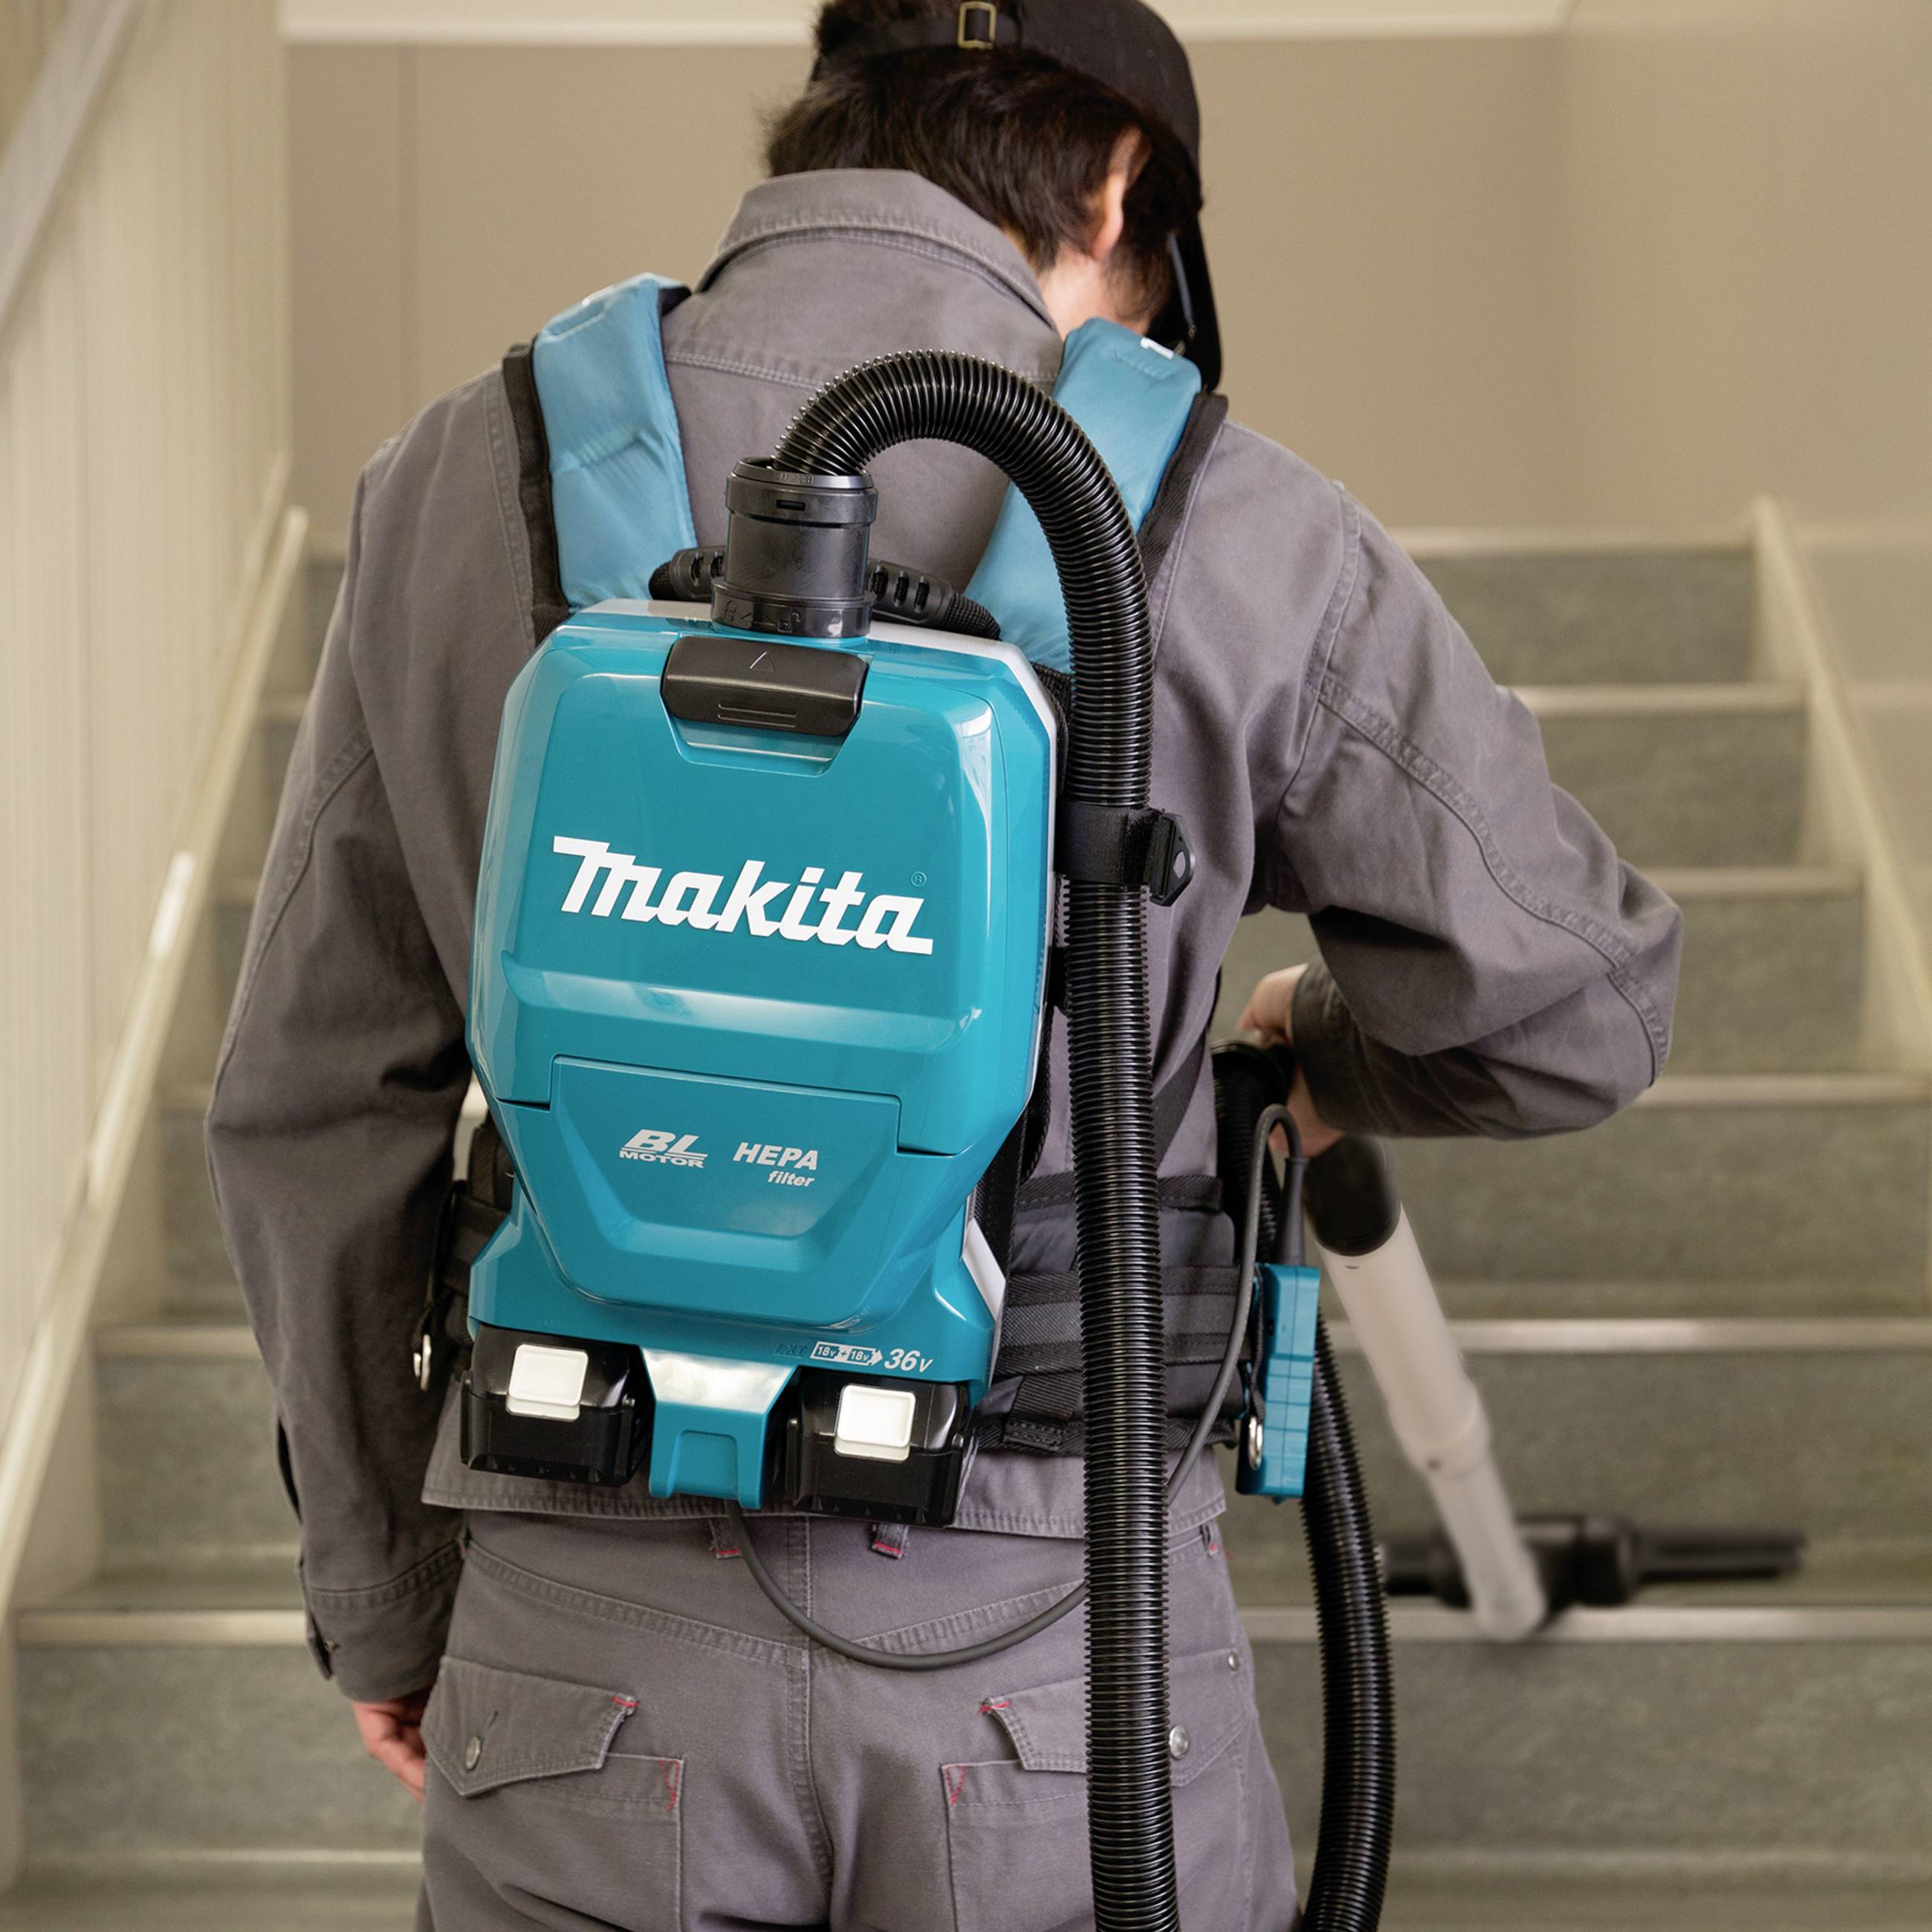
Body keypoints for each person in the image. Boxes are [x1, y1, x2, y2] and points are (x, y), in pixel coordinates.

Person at [207, 2, 1682, 1925]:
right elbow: (1581, 1003)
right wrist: (1303, 1050)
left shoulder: (461, 478)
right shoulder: (1238, 523)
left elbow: (308, 1105)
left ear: (827, 115)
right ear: (1117, 181)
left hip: (583, 1646)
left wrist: (387, 1601)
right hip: (1062, 1674)